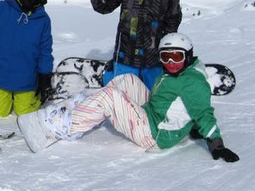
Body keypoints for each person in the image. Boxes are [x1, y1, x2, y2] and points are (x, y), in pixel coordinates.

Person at [18, 33, 240, 163]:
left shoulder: (192, 82)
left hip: (155, 135)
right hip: (154, 114)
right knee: (127, 80)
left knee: (109, 97)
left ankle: (61, 128)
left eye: (177, 56)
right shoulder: (180, 72)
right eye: (166, 56)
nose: (170, 62)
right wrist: (188, 124)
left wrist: (216, 144)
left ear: (188, 55)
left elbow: (203, 112)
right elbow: (184, 107)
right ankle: (85, 109)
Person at [91, 0, 182, 90]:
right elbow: (102, 6)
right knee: (121, 100)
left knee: (153, 100)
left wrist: (169, 56)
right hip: (125, 58)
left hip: (153, 62)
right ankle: (109, 74)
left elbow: (172, 26)